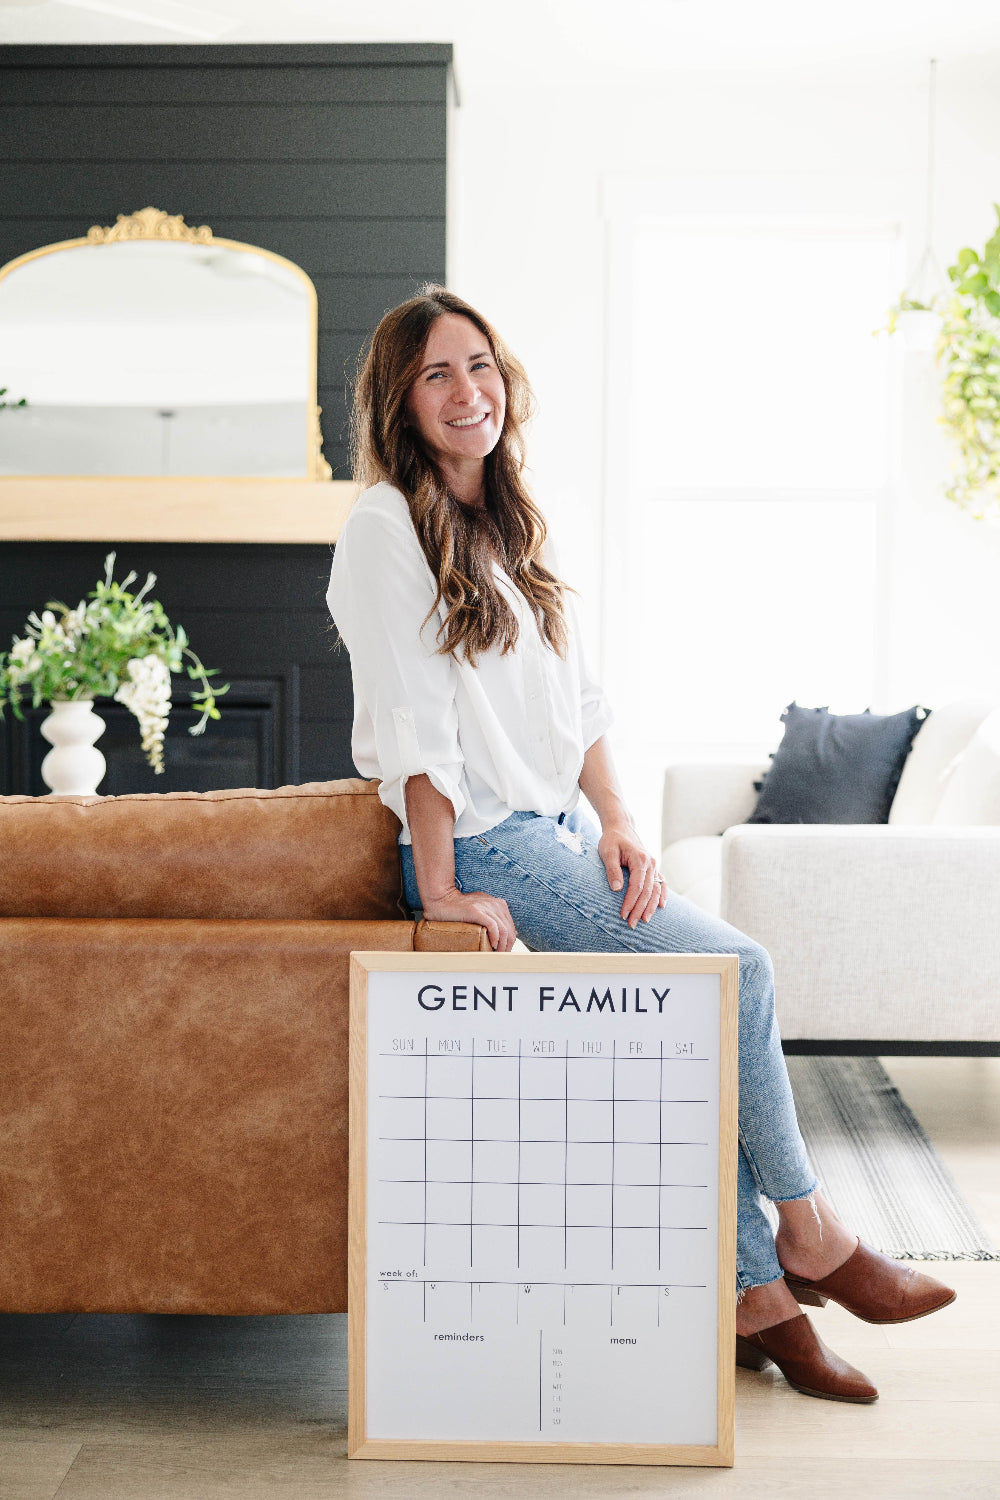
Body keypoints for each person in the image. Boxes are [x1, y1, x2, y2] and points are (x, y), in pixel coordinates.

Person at [326, 285, 956, 1405]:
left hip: (559, 829)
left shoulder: (520, 520)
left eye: (479, 364)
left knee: (674, 1042)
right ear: (399, 402)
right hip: (485, 842)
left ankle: (755, 1303)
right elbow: (415, 728)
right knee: (736, 973)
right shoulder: (385, 526)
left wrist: (619, 821)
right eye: (435, 374)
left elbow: (585, 701)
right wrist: (436, 884)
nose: (467, 391)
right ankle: (809, 1233)